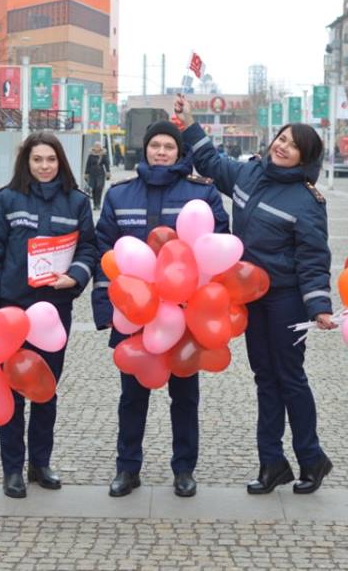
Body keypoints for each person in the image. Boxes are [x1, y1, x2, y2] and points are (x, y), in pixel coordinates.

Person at [177, 94, 337, 496]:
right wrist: (191, 122)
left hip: (286, 300)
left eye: (292, 145)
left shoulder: (307, 200)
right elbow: (211, 163)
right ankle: (272, 463)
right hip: (250, 299)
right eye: (281, 138)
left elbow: (313, 256)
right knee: (264, 378)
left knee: (290, 378)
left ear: (305, 157)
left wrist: (318, 305)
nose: (282, 146)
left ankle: (312, 457)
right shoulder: (249, 175)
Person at [92, 120, 229, 499]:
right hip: (134, 314)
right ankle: (127, 468)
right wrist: (105, 310)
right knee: (132, 397)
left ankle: (184, 469)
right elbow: (104, 251)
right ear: (146, 149)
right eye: (156, 145)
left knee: (185, 396)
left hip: (186, 317)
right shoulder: (120, 196)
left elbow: (219, 248)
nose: (162, 152)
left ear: (180, 152)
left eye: (169, 146)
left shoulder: (202, 194)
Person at [0, 132, 97, 499]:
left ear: (61, 162)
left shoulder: (76, 202)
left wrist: (74, 275)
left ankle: (40, 464)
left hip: (54, 313)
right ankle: (13, 469)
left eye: (51, 159)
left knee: (45, 390)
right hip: (11, 311)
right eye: (37, 159)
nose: (45, 166)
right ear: (26, 162)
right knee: (11, 390)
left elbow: (89, 248)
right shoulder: (6, 200)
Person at [84, 141, 111, 210]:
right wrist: (86, 174)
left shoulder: (103, 154)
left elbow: (107, 164)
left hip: (100, 173)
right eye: (96, 146)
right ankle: (95, 204)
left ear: (100, 147)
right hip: (92, 173)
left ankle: (98, 204)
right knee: (93, 189)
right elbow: (88, 165)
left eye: (98, 146)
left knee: (99, 187)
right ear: (94, 147)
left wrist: (108, 173)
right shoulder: (91, 155)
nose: (97, 147)